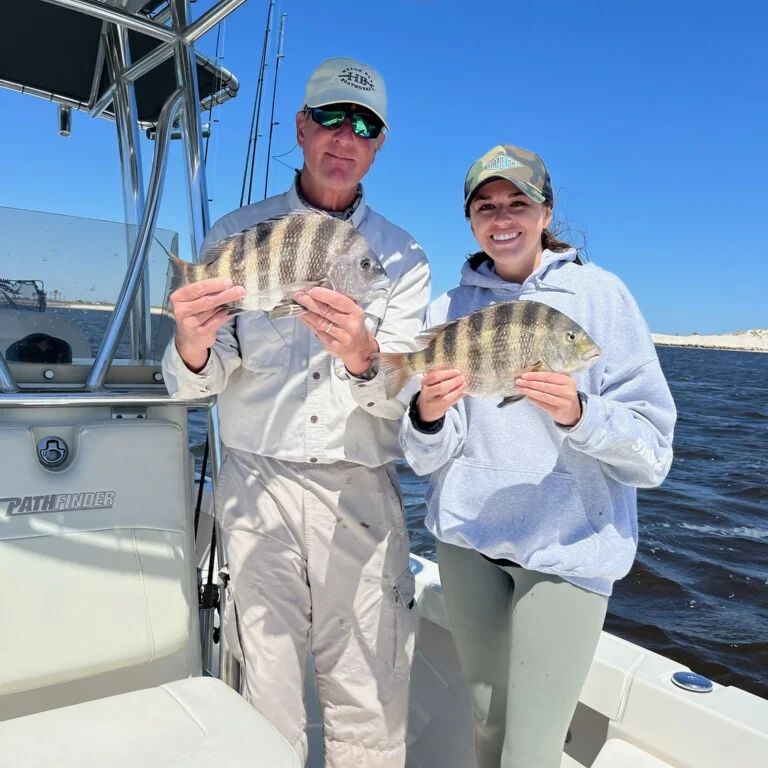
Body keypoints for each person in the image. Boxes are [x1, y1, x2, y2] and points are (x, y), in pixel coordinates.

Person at [162, 58, 429, 767]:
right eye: (333, 118)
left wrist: (365, 358)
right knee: (266, 691)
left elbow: (406, 396)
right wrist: (191, 344)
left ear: (379, 144)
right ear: (303, 127)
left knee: (368, 696)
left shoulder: (402, 258)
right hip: (256, 486)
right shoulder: (238, 231)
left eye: (365, 125)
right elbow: (201, 384)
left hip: (358, 495)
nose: (347, 136)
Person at [399, 144, 676, 768]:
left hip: (566, 553)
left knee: (531, 750)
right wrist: (426, 414)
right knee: (487, 726)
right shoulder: (448, 311)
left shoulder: (602, 298)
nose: (503, 218)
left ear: (545, 212)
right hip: (467, 542)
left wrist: (581, 414)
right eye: (486, 206)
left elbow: (653, 454)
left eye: (518, 203)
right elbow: (423, 459)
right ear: (470, 220)